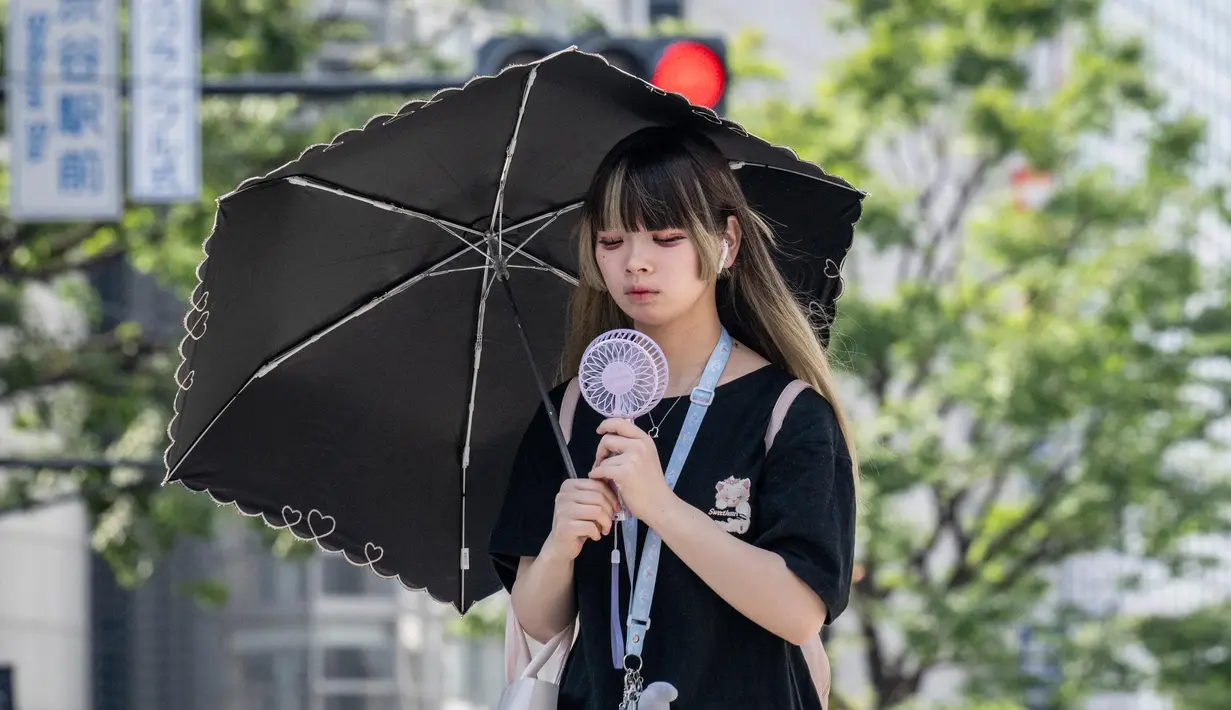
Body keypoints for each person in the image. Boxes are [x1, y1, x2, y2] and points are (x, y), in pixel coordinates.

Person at [488, 125, 858, 709]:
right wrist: (560, 544)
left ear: (727, 242)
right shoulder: (568, 411)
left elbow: (800, 612)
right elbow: (539, 619)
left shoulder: (787, 414)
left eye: (664, 237)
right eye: (611, 242)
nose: (636, 263)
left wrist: (659, 506)